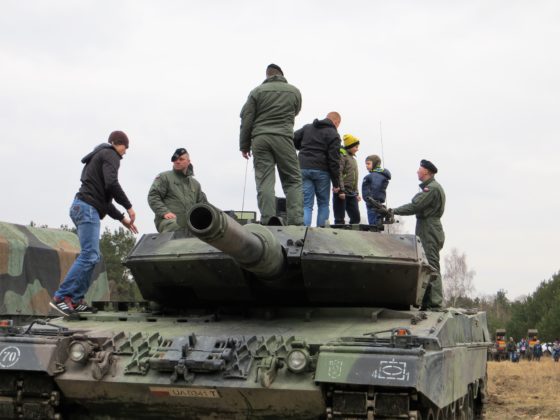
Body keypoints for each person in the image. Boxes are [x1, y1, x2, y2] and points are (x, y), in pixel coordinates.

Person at [50, 131, 138, 316]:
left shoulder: (98, 156)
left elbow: (104, 200)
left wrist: (122, 219)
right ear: (117, 143)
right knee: (89, 255)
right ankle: (61, 297)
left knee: (93, 256)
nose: (125, 152)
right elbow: (112, 183)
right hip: (87, 208)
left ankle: (75, 300)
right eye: (126, 147)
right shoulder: (111, 154)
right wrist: (129, 207)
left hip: (82, 206)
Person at [239, 63, 303, 225]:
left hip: (260, 138)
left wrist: (244, 145)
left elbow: (247, 119)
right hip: (284, 137)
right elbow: (295, 111)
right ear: (282, 75)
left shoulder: (256, 92)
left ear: (267, 76)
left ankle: (267, 219)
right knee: (292, 180)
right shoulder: (294, 92)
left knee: (265, 181)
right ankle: (296, 221)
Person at [389, 159, 446, 309]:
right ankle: (427, 301)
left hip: (429, 228)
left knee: (432, 265)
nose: (417, 172)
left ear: (426, 171)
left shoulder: (432, 188)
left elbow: (415, 206)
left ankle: (435, 303)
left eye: (419, 169)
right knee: (427, 266)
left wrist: (393, 211)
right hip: (427, 227)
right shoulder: (431, 188)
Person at [293, 112, 342, 227]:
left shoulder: (308, 127)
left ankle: (303, 231)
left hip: (304, 168)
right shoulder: (333, 134)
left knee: (306, 204)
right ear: (336, 122)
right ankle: (321, 231)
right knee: (323, 204)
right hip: (322, 171)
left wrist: (302, 148)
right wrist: (336, 183)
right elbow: (334, 160)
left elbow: (293, 138)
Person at [148, 148, 208, 232]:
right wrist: (165, 212)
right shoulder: (164, 177)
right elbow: (153, 196)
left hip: (190, 224)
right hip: (168, 221)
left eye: (181, 159)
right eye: (175, 159)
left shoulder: (195, 184)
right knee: (183, 228)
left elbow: (204, 206)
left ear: (188, 161)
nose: (177, 161)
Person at [333, 134, 361, 224]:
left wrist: (357, 193)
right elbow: (339, 173)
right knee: (340, 219)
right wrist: (341, 190)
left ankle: (353, 232)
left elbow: (355, 178)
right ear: (350, 146)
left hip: (352, 193)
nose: (357, 149)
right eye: (356, 147)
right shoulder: (342, 156)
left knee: (356, 218)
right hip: (342, 192)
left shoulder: (353, 159)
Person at [361, 154, 391, 225]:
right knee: (378, 224)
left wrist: (370, 200)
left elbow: (374, 189)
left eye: (368, 164)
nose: (366, 166)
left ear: (375, 164)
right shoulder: (383, 175)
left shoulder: (370, 177)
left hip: (372, 204)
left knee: (373, 225)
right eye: (366, 164)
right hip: (380, 204)